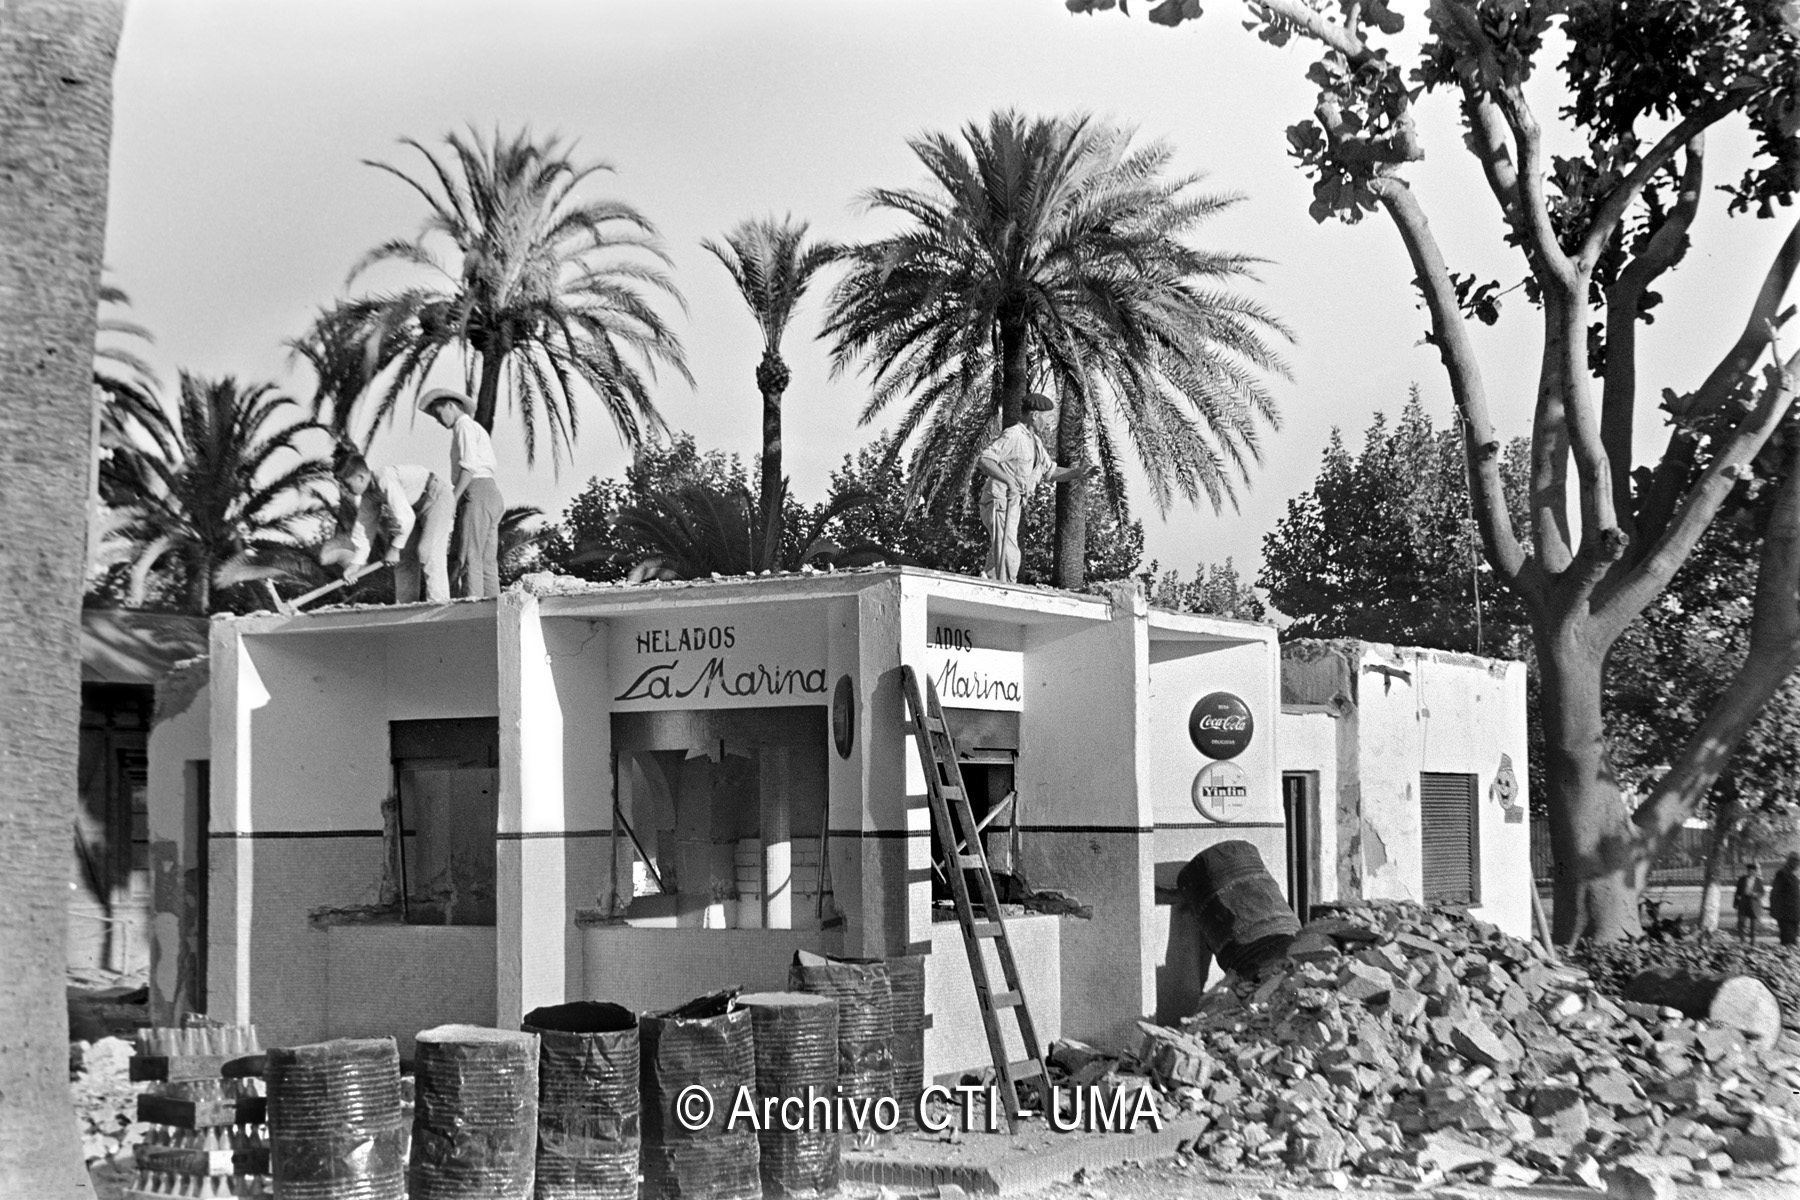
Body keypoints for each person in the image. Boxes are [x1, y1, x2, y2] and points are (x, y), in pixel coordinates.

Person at [973, 392, 1095, 583]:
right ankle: (1007, 588)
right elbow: (985, 460)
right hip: (999, 500)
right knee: (1009, 552)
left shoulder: (1035, 443)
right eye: (1047, 417)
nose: (1049, 423)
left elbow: (1050, 472)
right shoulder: (1014, 435)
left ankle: (990, 583)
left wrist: (1078, 472)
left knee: (1001, 551)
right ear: (1035, 415)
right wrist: (1009, 481)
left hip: (1012, 504)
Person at [321, 450, 452, 603]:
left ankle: (439, 602)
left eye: (346, 484)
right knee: (404, 558)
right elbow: (364, 530)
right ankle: (405, 607)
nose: (345, 489)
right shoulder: (368, 496)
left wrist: (395, 549)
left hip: (435, 497)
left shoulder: (384, 478)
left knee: (427, 551)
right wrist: (355, 565)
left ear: (361, 477)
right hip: (413, 508)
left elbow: (406, 518)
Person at [419, 386, 503, 598]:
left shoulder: (463, 428)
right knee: (487, 561)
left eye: (438, 413)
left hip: (476, 490)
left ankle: (473, 607)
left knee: (469, 556)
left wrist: (451, 500)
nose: (438, 420)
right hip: (491, 492)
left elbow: (468, 467)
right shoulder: (475, 428)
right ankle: (493, 608)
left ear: (450, 405)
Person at [1771, 852, 1800, 948]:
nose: (1798, 864)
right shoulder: (1782, 873)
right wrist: (1776, 912)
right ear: (1790, 861)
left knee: (1792, 944)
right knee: (1787, 944)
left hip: (1794, 915)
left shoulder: (1793, 875)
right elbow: (1775, 893)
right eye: (1796, 861)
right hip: (1785, 915)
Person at [1734, 861, 1766, 943]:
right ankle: (1742, 941)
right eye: (1749, 871)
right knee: (1741, 923)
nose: (1750, 872)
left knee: (1753, 925)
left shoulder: (1758, 881)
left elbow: (1762, 892)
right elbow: (1737, 892)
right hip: (1743, 903)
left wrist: (1756, 894)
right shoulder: (1742, 879)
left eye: (1752, 871)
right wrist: (1736, 903)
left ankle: (1753, 941)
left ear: (1755, 872)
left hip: (1754, 904)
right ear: (1747, 871)